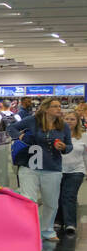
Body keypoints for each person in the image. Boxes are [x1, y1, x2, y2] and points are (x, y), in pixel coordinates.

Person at [18, 98, 72, 243]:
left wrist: (64, 147)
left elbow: (69, 145)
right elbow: (12, 127)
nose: (59, 109)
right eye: (55, 106)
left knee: (51, 202)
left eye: (59, 106)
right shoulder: (32, 120)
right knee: (29, 200)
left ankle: (47, 230)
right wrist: (20, 136)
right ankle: (27, 230)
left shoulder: (63, 126)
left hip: (52, 168)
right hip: (29, 167)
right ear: (46, 108)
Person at [57, 110, 86, 236]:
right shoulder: (57, 134)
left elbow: (86, 155)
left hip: (77, 171)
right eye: (67, 119)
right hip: (58, 170)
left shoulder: (84, 136)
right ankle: (58, 220)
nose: (69, 121)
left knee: (69, 196)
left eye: (72, 119)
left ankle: (70, 224)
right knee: (57, 196)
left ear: (77, 121)